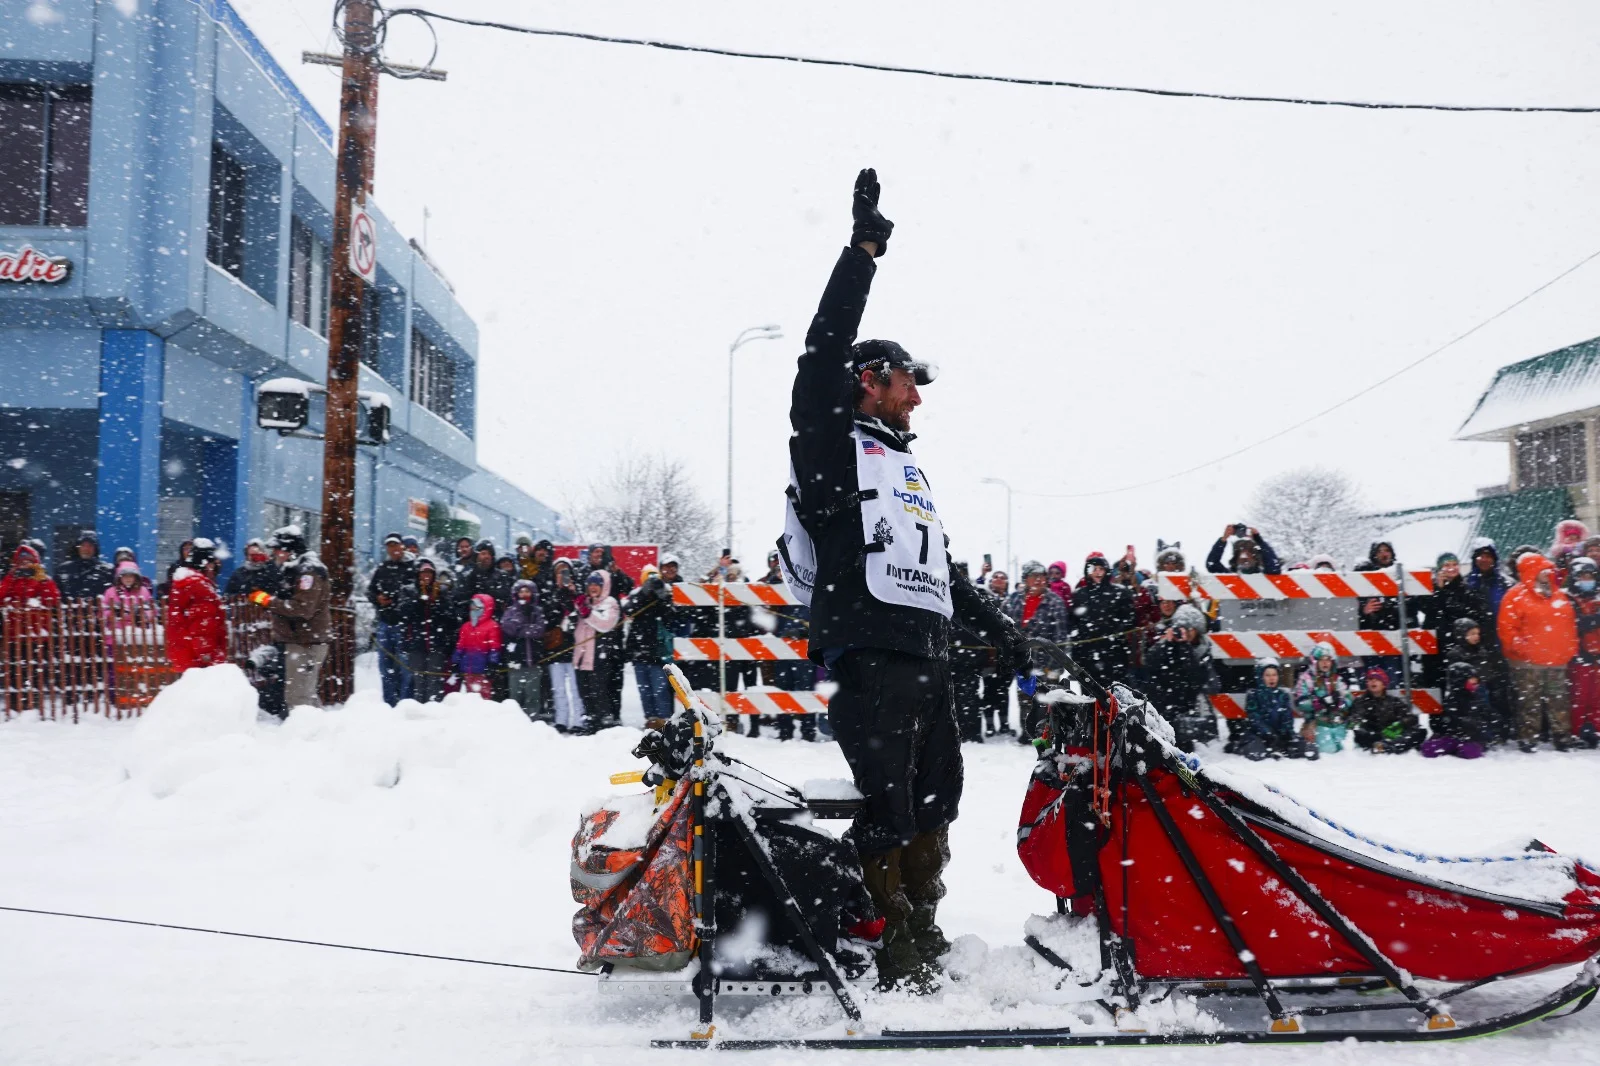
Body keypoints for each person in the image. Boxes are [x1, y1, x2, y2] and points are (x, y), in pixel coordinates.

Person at [781, 169, 1025, 992]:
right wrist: (862, 253)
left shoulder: (903, 467)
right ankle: (888, 944)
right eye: (907, 381)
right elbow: (821, 350)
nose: (917, 398)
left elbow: (937, 566)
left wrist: (998, 626)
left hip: (926, 653)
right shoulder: (829, 444)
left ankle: (920, 924)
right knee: (886, 805)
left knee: (937, 797)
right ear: (870, 381)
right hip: (869, 652)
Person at [1497, 552, 1578, 752]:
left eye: (1548, 569)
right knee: (1529, 701)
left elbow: (1568, 624)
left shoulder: (1558, 594)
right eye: (1543, 570)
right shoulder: (1515, 596)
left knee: (1558, 700)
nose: (1548, 573)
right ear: (1531, 571)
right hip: (1527, 662)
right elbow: (1507, 627)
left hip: (1556, 660)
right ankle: (1528, 737)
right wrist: (1521, 649)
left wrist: (1569, 647)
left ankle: (1562, 736)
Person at [250, 527, 332, 711]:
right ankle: (316, 726)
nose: (274, 553)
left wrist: (266, 600)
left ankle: (304, 728)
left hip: (306, 642)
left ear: (290, 549)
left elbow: (302, 608)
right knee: (304, 694)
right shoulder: (295, 568)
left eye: (277, 549)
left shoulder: (309, 571)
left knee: (298, 698)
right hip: (300, 640)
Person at [1003, 560, 1070, 743]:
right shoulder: (1013, 600)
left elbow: (1061, 636)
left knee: (1047, 702)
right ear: (1025, 579)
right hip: (1024, 662)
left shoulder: (1054, 602)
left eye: (1042, 576)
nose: (1040, 580)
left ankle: (1047, 734)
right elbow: (1004, 628)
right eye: (1035, 576)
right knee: (1025, 699)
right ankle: (1028, 733)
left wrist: (1054, 666)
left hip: (1047, 663)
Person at [1145, 603, 1218, 751]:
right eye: (1182, 628)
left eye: (1190, 628)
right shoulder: (1168, 645)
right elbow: (1151, 664)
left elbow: (1197, 679)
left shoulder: (1203, 649)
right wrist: (1165, 643)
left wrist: (1185, 648)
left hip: (1189, 705)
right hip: (1167, 702)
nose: (1186, 632)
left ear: (1198, 630)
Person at [1068, 552, 1135, 690]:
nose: (1098, 572)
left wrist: (1116, 632)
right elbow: (1072, 624)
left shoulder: (1119, 593)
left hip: (1114, 654)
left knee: (1116, 694)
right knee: (1089, 696)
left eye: (1101, 569)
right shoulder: (1079, 594)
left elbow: (1130, 618)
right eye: (1094, 569)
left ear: (1106, 571)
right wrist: (1077, 655)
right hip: (1087, 655)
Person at [622, 565, 678, 722]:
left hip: (658, 652)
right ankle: (651, 720)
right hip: (639, 650)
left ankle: (664, 720)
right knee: (644, 691)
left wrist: (662, 597)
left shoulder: (665, 594)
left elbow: (671, 618)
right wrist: (644, 593)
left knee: (660, 689)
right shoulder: (637, 595)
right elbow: (629, 610)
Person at [367, 532, 417, 706]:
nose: (393, 549)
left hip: (404, 624)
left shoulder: (412, 567)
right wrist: (378, 598)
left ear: (402, 546)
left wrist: (395, 599)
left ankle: (405, 703)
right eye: (389, 546)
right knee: (385, 665)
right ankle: (389, 702)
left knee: (405, 666)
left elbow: (414, 594)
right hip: (385, 622)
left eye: (396, 545)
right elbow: (370, 590)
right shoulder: (383, 568)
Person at [399, 559, 457, 704]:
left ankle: (434, 710)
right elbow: (404, 614)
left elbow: (450, 617)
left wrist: (436, 601)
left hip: (437, 644)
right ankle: (419, 710)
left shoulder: (441, 592)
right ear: (418, 575)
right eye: (423, 573)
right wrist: (420, 598)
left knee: (434, 681)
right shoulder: (409, 591)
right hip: (416, 644)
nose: (426, 576)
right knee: (418, 682)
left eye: (429, 573)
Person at [166, 539, 228, 672]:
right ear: (205, 564)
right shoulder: (199, 587)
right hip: (200, 661)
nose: (215, 567)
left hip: (186, 653)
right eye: (213, 563)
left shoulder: (185, 583)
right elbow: (202, 626)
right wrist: (208, 656)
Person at [1233, 660, 1315, 760]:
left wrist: (1286, 731)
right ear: (1261, 677)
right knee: (1256, 752)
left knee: (1304, 749)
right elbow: (1254, 718)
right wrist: (1268, 733)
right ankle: (1261, 749)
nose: (1272, 678)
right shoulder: (1253, 695)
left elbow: (1287, 716)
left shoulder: (1282, 695)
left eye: (1274, 675)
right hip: (1258, 734)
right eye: (1267, 675)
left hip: (1280, 734)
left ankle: (1280, 749)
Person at [573, 569, 622, 731]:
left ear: (604, 586)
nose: (593, 587)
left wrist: (586, 612)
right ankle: (590, 720)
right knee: (584, 691)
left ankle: (604, 723)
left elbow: (605, 624)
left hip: (599, 655)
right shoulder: (585, 601)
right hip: (581, 656)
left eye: (597, 584)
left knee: (599, 691)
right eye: (590, 584)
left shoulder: (610, 603)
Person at [546, 558, 587, 732]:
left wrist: (572, 594)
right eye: (559, 571)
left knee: (576, 689)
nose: (562, 575)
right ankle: (561, 720)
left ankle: (579, 720)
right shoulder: (549, 593)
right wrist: (558, 595)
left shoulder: (577, 593)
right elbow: (548, 618)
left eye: (565, 571)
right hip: (555, 647)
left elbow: (582, 615)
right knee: (559, 689)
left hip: (574, 647)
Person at [498, 578, 547, 719]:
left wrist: (521, 629)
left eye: (527, 591)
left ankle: (532, 720)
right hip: (515, 661)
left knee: (532, 696)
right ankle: (516, 722)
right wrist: (522, 624)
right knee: (515, 696)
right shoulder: (511, 611)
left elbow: (539, 630)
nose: (524, 594)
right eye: (521, 591)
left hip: (533, 660)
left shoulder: (537, 611)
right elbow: (508, 628)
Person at [1351, 668, 1426, 753]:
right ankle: (1386, 746)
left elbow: (1410, 718)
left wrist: (1399, 725)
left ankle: (1385, 746)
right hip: (1372, 735)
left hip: (1393, 734)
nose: (1373, 682)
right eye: (1371, 679)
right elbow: (1355, 719)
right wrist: (1362, 724)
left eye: (1377, 679)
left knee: (1420, 730)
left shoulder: (1393, 701)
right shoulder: (1360, 701)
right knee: (1360, 732)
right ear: (1367, 683)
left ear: (1384, 684)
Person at [1293, 642, 1350, 754]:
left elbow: (1349, 699)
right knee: (1327, 751)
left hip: (1338, 722)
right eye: (1322, 660)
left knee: (1347, 750)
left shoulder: (1336, 679)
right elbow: (1300, 703)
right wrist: (1319, 703)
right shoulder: (1306, 679)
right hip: (1316, 723)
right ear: (1315, 661)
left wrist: (1340, 703)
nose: (1325, 663)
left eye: (1328, 660)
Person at [1569, 558, 1600, 749]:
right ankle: (1577, 731)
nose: (1587, 580)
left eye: (1590, 577)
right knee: (1579, 698)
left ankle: (1595, 729)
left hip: (1597, 657)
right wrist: (1594, 620)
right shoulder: (1568, 599)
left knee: (1597, 697)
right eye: (1583, 577)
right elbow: (1573, 624)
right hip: (1579, 656)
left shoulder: (1597, 599)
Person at [451, 593, 504, 699]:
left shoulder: (492, 626)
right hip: (468, 669)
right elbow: (460, 646)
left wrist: (492, 664)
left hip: (483, 670)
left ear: (485, 608)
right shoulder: (466, 626)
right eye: (472, 606)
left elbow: (495, 648)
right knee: (470, 697)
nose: (473, 609)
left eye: (477, 606)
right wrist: (455, 662)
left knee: (484, 697)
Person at [981, 570, 1013, 736]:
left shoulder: (1012, 600)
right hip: (988, 655)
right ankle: (989, 725)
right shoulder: (984, 598)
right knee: (988, 691)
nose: (999, 580)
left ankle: (1004, 723)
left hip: (1007, 655)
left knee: (1004, 691)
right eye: (996, 577)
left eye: (1003, 577)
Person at [54, 531, 115, 600]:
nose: (86, 549)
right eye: (83, 545)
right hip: (69, 606)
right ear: (78, 548)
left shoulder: (106, 571)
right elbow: (56, 595)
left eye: (90, 546)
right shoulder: (63, 569)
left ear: (95, 549)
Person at [1205, 526, 1281, 575]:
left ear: (1255, 557)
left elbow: (1274, 567)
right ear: (1235, 557)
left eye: (1249, 551)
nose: (1244, 556)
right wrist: (1223, 539)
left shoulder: (1266, 575)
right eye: (1240, 551)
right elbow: (1212, 565)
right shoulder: (1229, 575)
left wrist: (1258, 540)